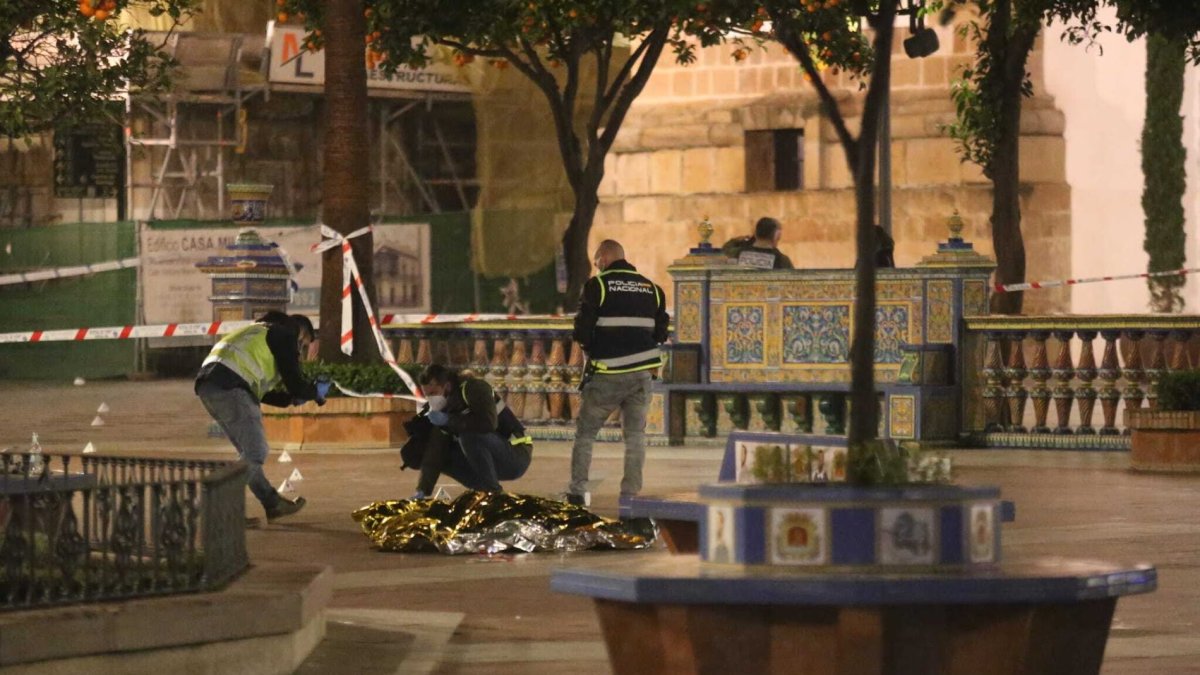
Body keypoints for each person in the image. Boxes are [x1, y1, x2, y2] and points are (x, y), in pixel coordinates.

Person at [195, 312, 327, 522]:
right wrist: (313, 392)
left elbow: (262, 390)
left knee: (249, 455)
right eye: (303, 345)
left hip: (211, 386)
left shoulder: (256, 333)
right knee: (256, 452)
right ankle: (215, 504)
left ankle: (272, 503)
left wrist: (291, 399)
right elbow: (296, 383)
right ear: (300, 332)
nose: (300, 352)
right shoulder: (284, 334)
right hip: (231, 387)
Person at [567, 239, 670, 506]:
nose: (596, 266)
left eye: (596, 261)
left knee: (586, 434)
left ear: (604, 257)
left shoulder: (598, 285)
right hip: (642, 375)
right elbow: (660, 333)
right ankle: (630, 494)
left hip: (607, 373)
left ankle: (578, 492)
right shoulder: (653, 289)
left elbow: (582, 330)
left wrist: (594, 348)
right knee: (635, 436)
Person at [411, 364, 532, 496]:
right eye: (427, 395)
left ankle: (493, 493)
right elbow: (435, 450)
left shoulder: (475, 388)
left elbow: (488, 423)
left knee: (469, 434)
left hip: (515, 455)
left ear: (447, 385)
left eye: (433, 393)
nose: (430, 399)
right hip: (490, 460)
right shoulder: (445, 407)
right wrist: (422, 490)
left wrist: (449, 420)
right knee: (435, 451)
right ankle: (482, 490)